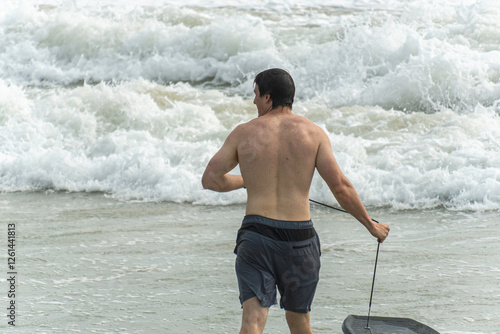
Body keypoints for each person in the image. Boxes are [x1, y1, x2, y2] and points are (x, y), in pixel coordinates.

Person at [201, 68, 390, 334]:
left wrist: (247, 180)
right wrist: (371, 225)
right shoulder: (313, 134)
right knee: (299, 324)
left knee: (252, 321)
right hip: (299, 242)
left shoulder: (244, 133)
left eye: (255, 95)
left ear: (268, 97)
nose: (253, 101)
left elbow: (210, 179)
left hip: (257, 238)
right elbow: (340, 187)